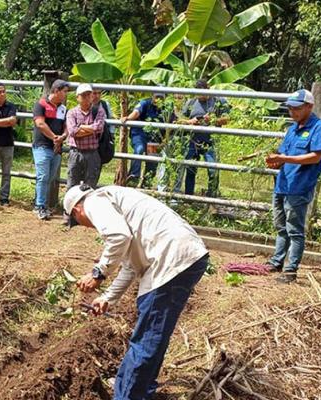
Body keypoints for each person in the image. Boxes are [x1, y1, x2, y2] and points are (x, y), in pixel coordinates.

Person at [65, 184, 209, 400]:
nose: (87, 227)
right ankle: (142, 392)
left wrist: (98, 273)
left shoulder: (94, 201)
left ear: (77, 210)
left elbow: (118, 237)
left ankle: (128, 396)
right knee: (154, 336)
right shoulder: (116, 200)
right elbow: (131, 266)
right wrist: (107, 298)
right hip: (186, 256)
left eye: (78, 222)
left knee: (146, 338)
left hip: (170, 260)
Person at [265, 89, 321, 284]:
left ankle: (290, 270)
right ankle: (276, 262)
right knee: (280, 227)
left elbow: (316, 156)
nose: (292, 111)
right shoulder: (292, 129)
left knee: (294, 230)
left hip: (299, 185)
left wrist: (283, 158)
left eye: (296, 108)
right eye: (289, 107)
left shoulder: (319, 128)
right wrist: (276, 161)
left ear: (309, 107)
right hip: (283, 183)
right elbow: (283, 154)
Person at [179, 80, 229, 197]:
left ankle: (212, 197)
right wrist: (190, 121)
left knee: (213, 170)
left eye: (203, 93)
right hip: (193, 140)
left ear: (208, 89)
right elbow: (180, 119)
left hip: (211, 141)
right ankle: (189, 196)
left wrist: (213, 120)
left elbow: (227, 119)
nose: (201, 97)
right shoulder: (191, 102)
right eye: (198, 94)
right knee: (190, 169)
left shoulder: (219, 101)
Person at [32, 79, 69, 220]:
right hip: (42, 146)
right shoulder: (40, 104)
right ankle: (40, 206)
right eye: (64, 91)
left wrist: (63, 136)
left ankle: (42, 205)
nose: (66, 94)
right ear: (56, 90)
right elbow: (40, 124)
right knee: (43, 177)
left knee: (49, 178)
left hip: (56, 148)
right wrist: (55, 137)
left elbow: (66, 126)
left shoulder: (63, 108)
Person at [121, 92, 167, 184]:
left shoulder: (165, 109)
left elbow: (171, 121)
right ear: (152, 96)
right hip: (139, 134)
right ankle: (133, 176)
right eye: (157, 97)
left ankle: (146, 183)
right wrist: (128, 118)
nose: (158, 99)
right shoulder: (145, 103)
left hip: (154, 138)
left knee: (152, 162)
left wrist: (165, 139)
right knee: (139, 149)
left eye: (161, 97)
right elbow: (136, 112)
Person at [66, 83, 105, 189]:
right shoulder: (71, 112)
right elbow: (73, 131)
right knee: (72, 184)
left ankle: (85, 205)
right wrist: (92, 129)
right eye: (84, 95)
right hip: (76, 152)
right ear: (77, 97)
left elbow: (99, 128)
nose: (87, 98)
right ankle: (72, 205)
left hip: (92, 152)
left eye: (89, 95)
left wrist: (81, 127)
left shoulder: (98, 110)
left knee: (90, 185)